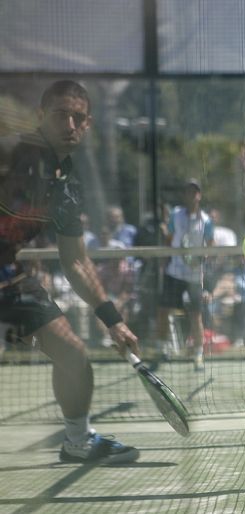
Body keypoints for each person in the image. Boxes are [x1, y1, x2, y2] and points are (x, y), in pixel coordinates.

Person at [0, 80, 140, 463]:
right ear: (42, 116)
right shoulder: (9, 152)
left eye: (79, 117)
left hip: (9, 278)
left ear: (89, 124)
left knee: (74, 355)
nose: (71, 124)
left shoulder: (67, 185)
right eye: (62, 114)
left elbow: (76, 261)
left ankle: (78, 442)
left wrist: (113, 320)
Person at [157, 178, 215, 371]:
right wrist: (165, 261)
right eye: (188, 191)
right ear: (184, 195)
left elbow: (210, 245)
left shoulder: (206, 221)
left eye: (195, 191)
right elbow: (170, 239)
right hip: (174, 272)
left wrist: (202, 258)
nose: (192, 195)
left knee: (195, 315)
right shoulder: (175, 215)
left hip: (193, 275)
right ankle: (163, 349)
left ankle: (198, 355)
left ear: (199, 195)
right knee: (164, 310)